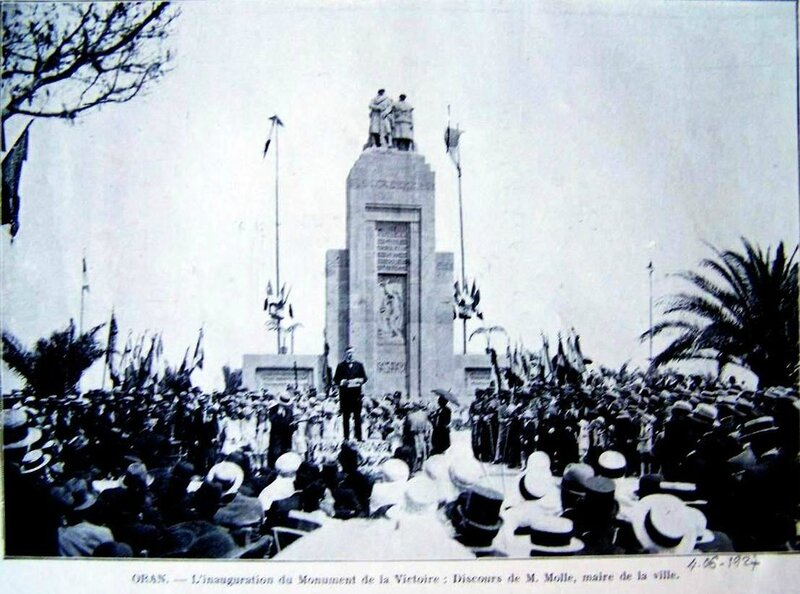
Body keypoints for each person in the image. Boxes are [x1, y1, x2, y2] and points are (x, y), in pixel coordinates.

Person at [333, 347, 368, 441]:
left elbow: (364, 378)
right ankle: (346, 437)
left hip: (356, 396)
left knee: (357, 417)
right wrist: (342, 382)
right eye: (348, 353)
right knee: (346, 418)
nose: (350, 355)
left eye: (352, 353)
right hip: (345, 396)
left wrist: (359, 380)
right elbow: (336, 379)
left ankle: (359, 437)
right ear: (345, 354)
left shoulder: (359, 365)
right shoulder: (341, 366)